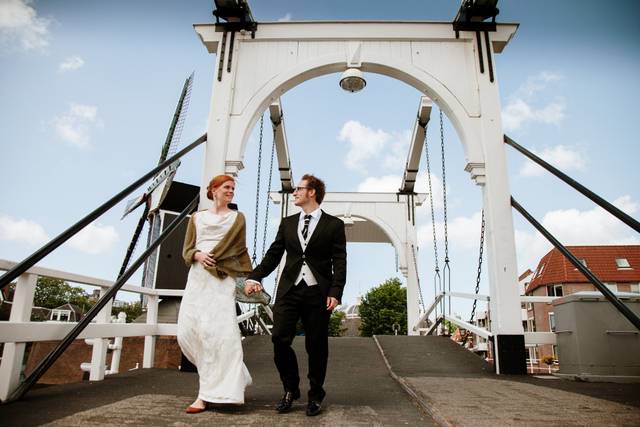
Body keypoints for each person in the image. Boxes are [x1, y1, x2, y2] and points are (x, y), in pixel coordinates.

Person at [245, 174, 347, 417]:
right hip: (289, 289)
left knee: (317, 346)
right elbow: (274, 253)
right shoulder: (288, 223)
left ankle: (315, 394)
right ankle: (290, 389)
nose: (294, 192)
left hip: (318, 292)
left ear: (312, 192)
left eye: (299, 189)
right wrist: (254, 276)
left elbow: (340, 261)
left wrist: (336, 291)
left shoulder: (334, 225)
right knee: (279, 339)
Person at [177, 175, 253, 414]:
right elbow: (187, 250)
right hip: (198, 278)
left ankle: (210, 394)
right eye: (226, 187)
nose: (231, 191)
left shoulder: (237, 218)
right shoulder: (196, 218)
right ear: (213, 190)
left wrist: (242, 276)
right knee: (189, 332)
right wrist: (197, 255)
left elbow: (239, 249)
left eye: (233, 188)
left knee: (222, 335)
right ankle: (232, 377)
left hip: (222, 278)